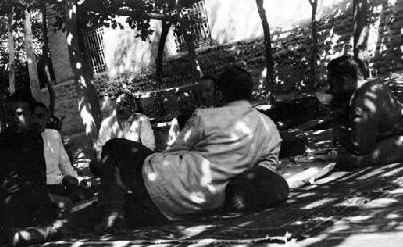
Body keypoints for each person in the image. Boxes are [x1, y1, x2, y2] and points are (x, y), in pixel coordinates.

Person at [93, 66, 284, 232]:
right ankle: (115, 207)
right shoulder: (269, 128)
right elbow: (263, 176)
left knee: (115, 146)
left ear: (220, 93)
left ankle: (113, 213)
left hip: (163, 184)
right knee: (126, 203)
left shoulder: (205, 116)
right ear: (249, 92)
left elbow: (173, 152)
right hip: (202, 206)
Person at [0, 91, 59, 247]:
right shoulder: (1, 143)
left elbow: (37, 176)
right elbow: (9, 185)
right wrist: (49, 199)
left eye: (19, 114)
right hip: (5, 203)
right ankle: (6, 234)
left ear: (32, 116)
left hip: (26, 197)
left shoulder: (34, 138)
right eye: (9, 114)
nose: (13, 119)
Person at [327, 55, 403, 168]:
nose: (331, 90)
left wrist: (340, 133)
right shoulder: (376, 85)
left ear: (344, 80)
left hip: (398, 142)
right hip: (395, 138)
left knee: (348, 159)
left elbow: (361, 148)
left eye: (332, 84)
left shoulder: (364, 99)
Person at [32, 101, 91, 210]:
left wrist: (77, 179)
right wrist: (62, 179)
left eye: (41, 117)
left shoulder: (53, 135)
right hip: (43, 189)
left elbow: (65, 164)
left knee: (86, 192)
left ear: (47, 118)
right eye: (33, 117)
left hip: (61, 184)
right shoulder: (24, 142)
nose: (37, 121)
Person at [95, 91, 155, 158]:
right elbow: (100, 149)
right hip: (113, 161)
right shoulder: (107, 123)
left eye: (125, 104)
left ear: (132, 108)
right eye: (118, 104)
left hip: (135, 160)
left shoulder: (141, 121)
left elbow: (149, 147)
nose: (121, 108)